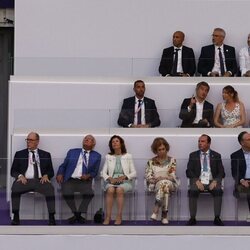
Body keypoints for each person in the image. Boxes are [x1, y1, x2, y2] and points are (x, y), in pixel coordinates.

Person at [10, 132, 56, 225]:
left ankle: (51, 216)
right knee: (15, 188)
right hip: (25, 181)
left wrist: (46, 175)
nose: (28, 142)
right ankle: (16, 216)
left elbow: (51, 171)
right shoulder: (20, 154)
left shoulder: (46, 154)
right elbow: (13, 171)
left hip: (40, 181)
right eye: (27, 140)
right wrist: (20, 176)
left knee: (50, 189)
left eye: (31, 140)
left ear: (37, 142)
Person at [56, 134, 101, 224]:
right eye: (85, 139)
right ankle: (77, 215)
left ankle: (78, 214)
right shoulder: (72, 152)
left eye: (89, 139)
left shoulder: (97, 156)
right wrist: (60, 173)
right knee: (66, 192)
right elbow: (63, 166)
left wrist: (88, 176)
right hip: (70, 179)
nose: (86, 140)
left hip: (84, 181)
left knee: (90, 193)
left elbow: (94, 172)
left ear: (93, 144)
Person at [186, 134, 225, 226]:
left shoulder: (216, 155)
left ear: (209, 143)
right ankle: (192, 218)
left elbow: (222, 172)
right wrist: (196, 181)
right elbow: (189, 171)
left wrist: (215, 181)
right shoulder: (193, 155)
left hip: (212, 181)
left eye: (202, 141)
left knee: (218, 190)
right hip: (198, 181)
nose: (200, 143)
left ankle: (217, 217)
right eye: (199, 141)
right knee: (192, 190)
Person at [101, 135, 136, 225]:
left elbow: (134, 173)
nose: (114, 143)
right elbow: (103, 172)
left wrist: (124, 177)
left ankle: (119, 216)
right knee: (110, 190)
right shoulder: (108, 156)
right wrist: (110, 178)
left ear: (121, 143)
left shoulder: (128, 156)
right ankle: (108, 217)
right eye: (113, 142)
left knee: (119, 190)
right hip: (112, 180)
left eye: (116, 141)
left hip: (125, 181)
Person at [145, 137, 180, 224]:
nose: (162, 151)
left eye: (163, 149)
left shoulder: (172, 160)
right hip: (155, 184)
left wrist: (163, 178)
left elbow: (172, 175)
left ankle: (156, 209)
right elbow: (148, 176)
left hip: (171, 183)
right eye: (159, 150)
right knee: (165, 187)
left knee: (165, 183)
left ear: (166, 148)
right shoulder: (150, 162)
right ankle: (164, 215)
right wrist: (157, 180)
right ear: (155, 150)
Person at [231, 131, 250, 222]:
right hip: (242, 182)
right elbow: (235, 172)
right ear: (242, 142)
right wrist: (242, 180)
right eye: (249, 139)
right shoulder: (235, 155)